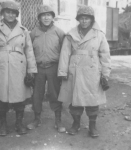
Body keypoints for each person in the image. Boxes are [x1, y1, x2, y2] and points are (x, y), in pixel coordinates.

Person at [58, 5, 111, 138]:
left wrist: (105, 74)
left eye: (87, 18)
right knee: (75, 101)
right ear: (78, 19)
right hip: (74, 71)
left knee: (92, 100)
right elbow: (65, 53)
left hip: (92, 72)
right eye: (81, 18)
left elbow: (105, 55)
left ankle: (92, 127)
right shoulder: (71, 34)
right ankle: (76, 124)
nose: (84, 21)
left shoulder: (99, 35)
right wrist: (62, 72)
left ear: (91, 19)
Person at [0, 1, 37, 136]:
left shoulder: (24, 30)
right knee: (1, 97)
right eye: (8, 12)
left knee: (20, 97)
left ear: (17, 15)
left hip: (19, 67)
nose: (10, 15)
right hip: (2, 67)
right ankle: (3, 125)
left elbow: (29, 51)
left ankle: (19, 124)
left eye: (13, 13)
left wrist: (31, 69)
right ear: (2, 13)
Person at [27, 5, 66, 133]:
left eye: (49, 15)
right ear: (39, 18)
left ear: (52, 17)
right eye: (43, 15)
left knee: (54, 93)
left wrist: (62, 70)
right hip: (38, 68)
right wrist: (31, 69)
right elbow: (29, 51)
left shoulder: (59, 32)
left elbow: (64, 52)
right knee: (37, 94)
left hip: (53, 67)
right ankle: (37, 119)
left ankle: (58, 120)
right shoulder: (33, 33)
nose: (46, 17)